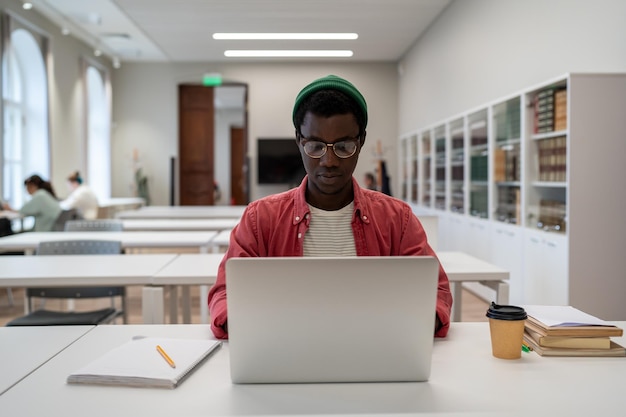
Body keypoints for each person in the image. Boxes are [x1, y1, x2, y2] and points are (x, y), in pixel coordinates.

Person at [208, 75, 452, 339]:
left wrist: (413, 322)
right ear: (299, 141)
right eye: (315, 146)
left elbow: (436, 291)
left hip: (374, 350)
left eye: (344, 146)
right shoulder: (260, 219)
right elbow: (224, 293)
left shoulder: (397, 219)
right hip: (285, 351)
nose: (329, 161)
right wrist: (249, 324)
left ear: (361, 141)